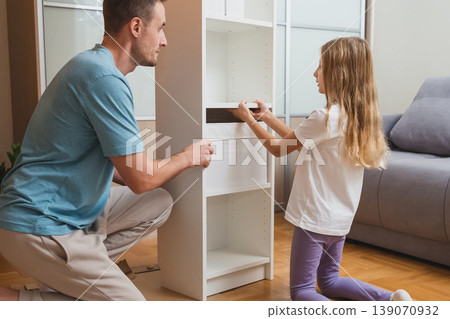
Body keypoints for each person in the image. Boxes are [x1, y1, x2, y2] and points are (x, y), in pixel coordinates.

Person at [0, 0, 213, 301]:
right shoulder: (105, 79)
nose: (164, 40)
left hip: (61, 209)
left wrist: (139, 170)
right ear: (136, 27)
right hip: (39, 222)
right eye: (161, 28)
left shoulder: (94, 66)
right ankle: (13, 299)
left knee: (159, 201)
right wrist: (187, 157)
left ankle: (76, 273)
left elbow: (121, 171)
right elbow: (140, 180)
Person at [230, 37, 412, 301]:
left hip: (314, 221)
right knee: (329, 281)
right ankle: (389, 300)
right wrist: (268, 117)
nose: (315, 74)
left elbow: (280, 148)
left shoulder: (324, 116)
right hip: (339, 221)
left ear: (339, 74)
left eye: (320, 67)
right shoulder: (358, 118)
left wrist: (249, 121)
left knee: (302, 291)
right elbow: (298, 140)